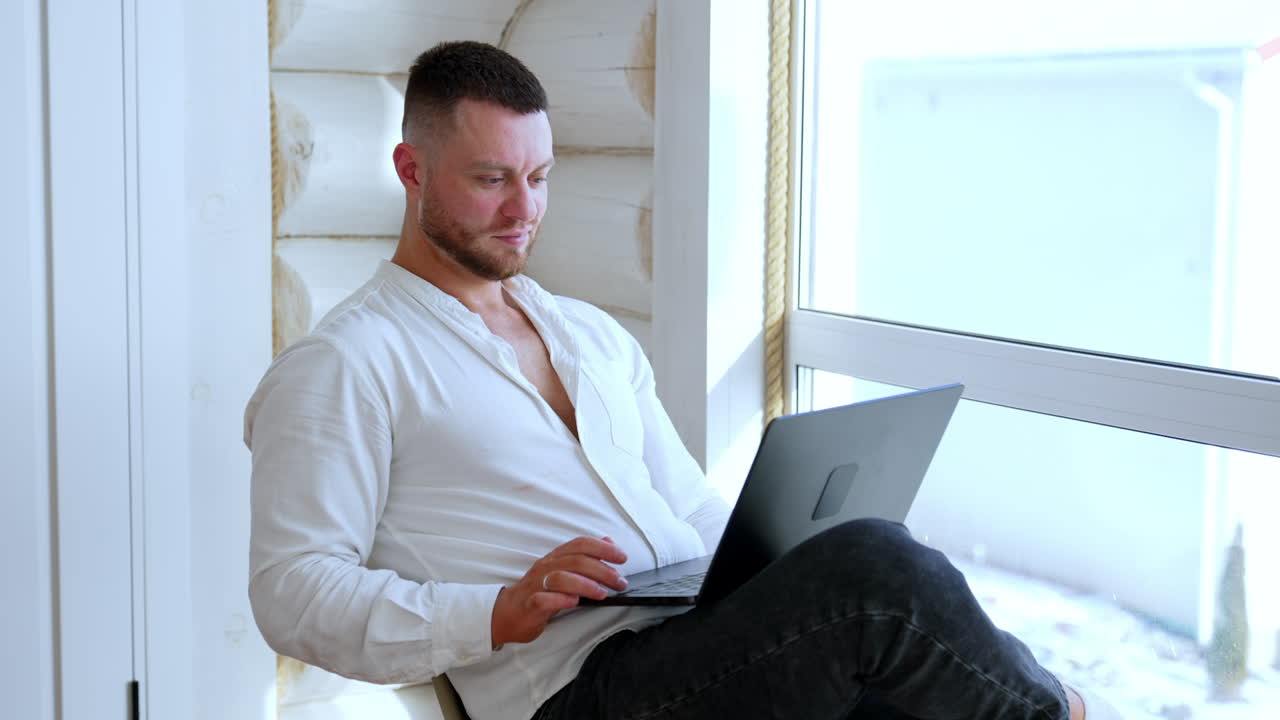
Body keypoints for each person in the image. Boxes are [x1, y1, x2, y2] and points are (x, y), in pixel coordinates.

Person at [245, 41, 1118, 720]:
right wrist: (496, 610)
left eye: (540, 177)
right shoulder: (346, 364)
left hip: (696, 649)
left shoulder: (586, 334)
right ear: (411, 171)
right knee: (878, 569)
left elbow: (689, 509)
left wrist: (779, 558)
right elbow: (293, 592)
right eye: (491, 180)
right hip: (581, 691)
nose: (525, 210)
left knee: (905, 641)